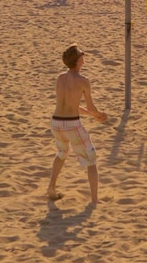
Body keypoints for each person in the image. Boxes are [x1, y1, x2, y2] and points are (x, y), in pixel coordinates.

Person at [47, 44, 108, 204]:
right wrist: (98, 115)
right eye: (82, 54)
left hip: (56, 122)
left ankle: (51, 187)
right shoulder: (83, 81)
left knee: (61, 153)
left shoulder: (61, 78)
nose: (84, 55)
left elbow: (70, 106)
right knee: (91, 158)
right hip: (71, 125)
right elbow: (90, 107)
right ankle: (95, 199)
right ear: (77, 60)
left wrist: (92, 116)